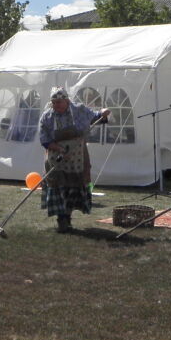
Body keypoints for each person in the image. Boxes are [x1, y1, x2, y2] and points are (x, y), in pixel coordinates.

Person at [38, 87, 109, 232]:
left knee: (72, 187)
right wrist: (61, 150)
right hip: (55, 157)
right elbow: (44, 140)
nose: (56, 105)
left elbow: (96, 117)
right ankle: (61, 219)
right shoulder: (47, 117)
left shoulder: (79, 110)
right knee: (58, 186)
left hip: (77, 157)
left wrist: (103, 113)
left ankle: (67, 217)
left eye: (59, 102)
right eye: (54, 102)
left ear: (67, 100)